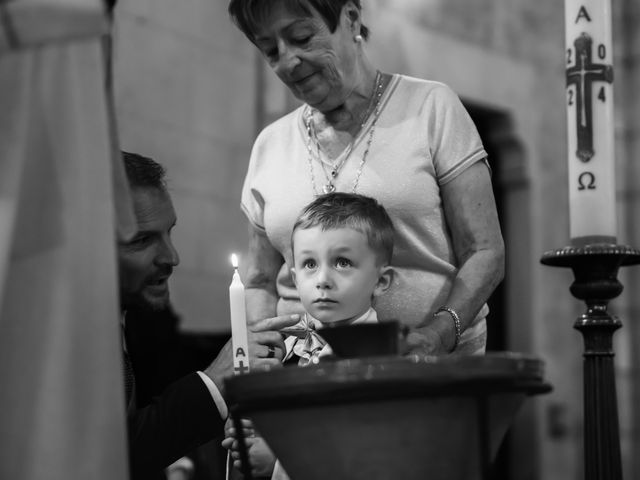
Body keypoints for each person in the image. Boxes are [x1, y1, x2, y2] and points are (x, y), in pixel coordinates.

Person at [228, 0, 505, 358]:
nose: (287, 62)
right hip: (305, 376)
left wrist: (437, 335)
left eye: (301, 38)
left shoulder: (430, 108)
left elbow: (485, 252)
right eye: (270, 50)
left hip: (429, 370)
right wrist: (264, 355)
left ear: (351, 18)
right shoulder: (271, 144)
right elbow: (261, 281)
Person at [118, 152, 300, 479]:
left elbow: (172, 371)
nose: (172, 257)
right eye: (142, 240)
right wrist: (215, 382)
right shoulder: (59, 338)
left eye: (169, 233)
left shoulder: (142, 313)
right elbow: (116, 454)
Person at [223, 192, 396, 478]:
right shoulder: (286, 349)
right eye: (309, 264)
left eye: (342, 262)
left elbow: (367, 451)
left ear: (381, 281)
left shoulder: (381, 359)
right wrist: (248, 437)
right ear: (294, 278)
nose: (323, 280)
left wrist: (279, 463)